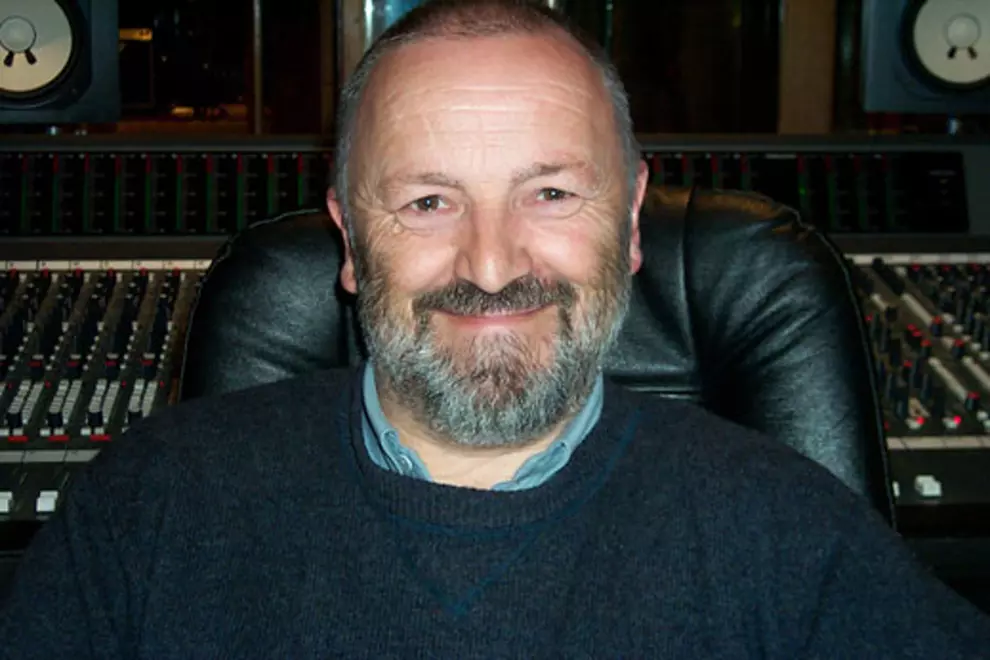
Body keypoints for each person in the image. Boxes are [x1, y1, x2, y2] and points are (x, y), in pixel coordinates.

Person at [2, 0, 989, 656]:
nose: (490, 265)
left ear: (630, 222)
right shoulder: (150, 505)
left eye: (550, 192)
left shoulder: (791, 532)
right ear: (350, 240)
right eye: (428, 202)